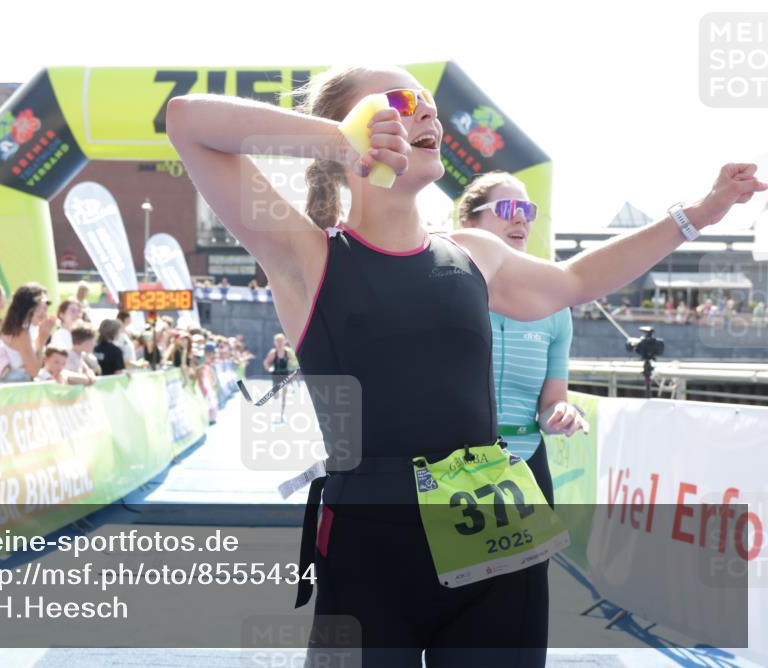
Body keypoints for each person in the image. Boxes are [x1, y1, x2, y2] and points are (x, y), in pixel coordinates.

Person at [166, 64, 765, 666]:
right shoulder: (305, 253)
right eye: (400, 102)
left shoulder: (473, 254)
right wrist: (336, 137)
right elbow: (188, 121)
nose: (426, 111)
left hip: (501, 539)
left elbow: (578, 280)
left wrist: (700, 213)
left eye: (429, 102)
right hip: (371, 543)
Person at [459, 171, 589, 503]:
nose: (520, 218)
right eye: (506, 208)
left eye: (527, 210)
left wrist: (562, 413)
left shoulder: (554, 306)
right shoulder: (444, 294)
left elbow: (548, 408)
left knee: (533, 559)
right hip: (453, 468)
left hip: (526, 465)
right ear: (470, 223)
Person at [0, 283, 54, 381]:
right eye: (43, 305)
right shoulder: (21, 334)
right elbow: (34, 371)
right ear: (30, 307)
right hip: (18, 391)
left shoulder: (12, 328)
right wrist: (42, 340)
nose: (45, 310)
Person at [262, 332, 296, 420]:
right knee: (276, 396)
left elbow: (294, 362)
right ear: (275, 342)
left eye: (281, 341)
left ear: (285, 341)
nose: (280, 343)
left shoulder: (287, 352)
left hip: (285, 375)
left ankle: (282, 413)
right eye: (278, 341)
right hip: (276, 375)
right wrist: (269, 368)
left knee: (284, 394)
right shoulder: (273, 352)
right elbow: (266, 362)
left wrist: (291, 362)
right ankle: (276, 401)